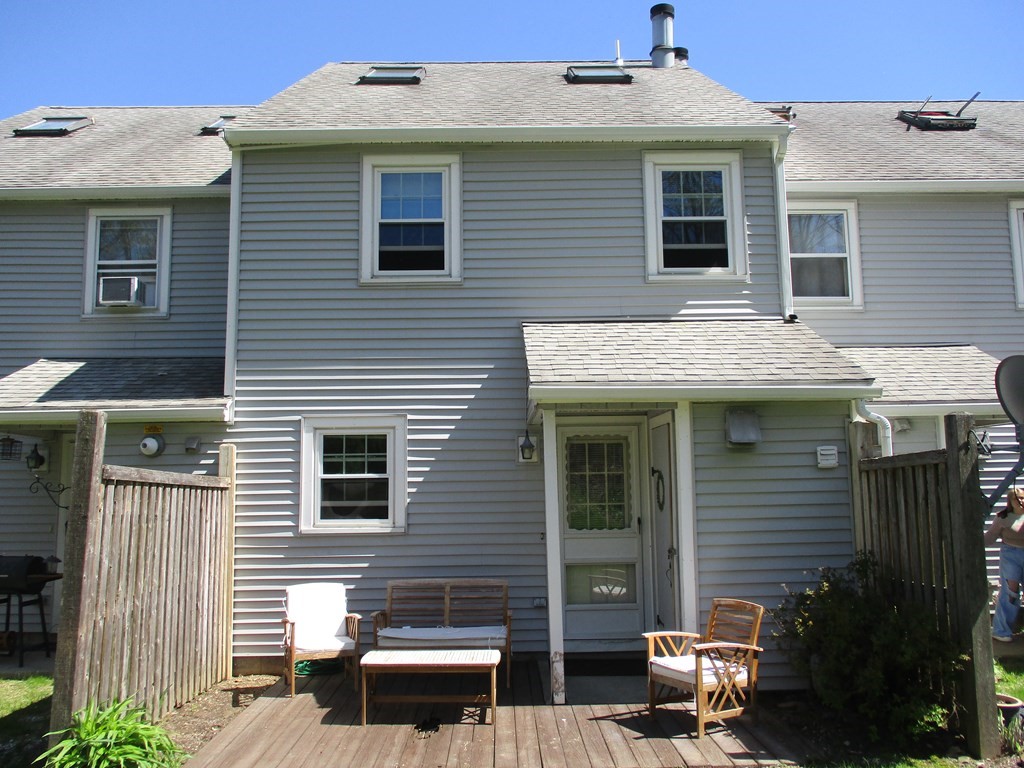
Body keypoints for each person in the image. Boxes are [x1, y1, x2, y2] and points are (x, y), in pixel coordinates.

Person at [984, 487, 1024, 642]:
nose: (1020, 501)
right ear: (1010, 501)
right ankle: (1001, 631)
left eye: (1022, 497)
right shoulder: (1003, 517)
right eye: (1016, 498)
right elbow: (990, 536)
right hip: (1010, 554)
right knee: (1010, 592)